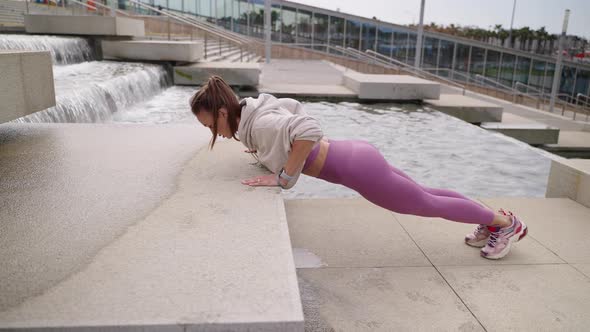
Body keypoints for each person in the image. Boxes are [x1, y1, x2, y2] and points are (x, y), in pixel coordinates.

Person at [189, 76, 528, 260]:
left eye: (210, 125)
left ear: (222, 112)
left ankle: (505, 223)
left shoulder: (259, 124)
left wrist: (284, 177)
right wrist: (270, 149)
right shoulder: (252, 110)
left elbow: (307, 131)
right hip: (356, 154)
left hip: (360, 172)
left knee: (427, 204)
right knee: (427, 194)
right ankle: (491, 219)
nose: (214, 133)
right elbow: (291, 109)